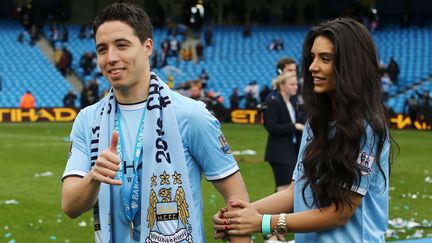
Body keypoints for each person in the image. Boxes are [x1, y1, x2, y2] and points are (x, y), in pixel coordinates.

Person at [61, 3, 249, 243]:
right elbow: (70, 205)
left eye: (122, 45)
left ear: (147, 46)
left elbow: (237, 200)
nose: (111, 58)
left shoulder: (191, 115)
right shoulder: (88, 120)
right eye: (102, 49)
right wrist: (94, 177)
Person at [213, 18, 393, 243]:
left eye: (325, 59)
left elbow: (339, 213)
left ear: (351, 65)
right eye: (312, 57)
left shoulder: (367, 127)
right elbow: (294, 192)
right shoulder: (316, 122)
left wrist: (262, 222)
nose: (312, 67)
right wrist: (238, 216)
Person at [263, 72, 304, 242]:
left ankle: (273, 230)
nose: (296, 87)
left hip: (291, 151)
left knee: (283, 191)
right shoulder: (273, 102)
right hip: (279, 152)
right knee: (284, 190)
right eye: (292, 84)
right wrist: (294, 126)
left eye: (296, 84)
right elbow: (272, 127)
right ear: (283, 85)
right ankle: (272, 232)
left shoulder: (293, 102)